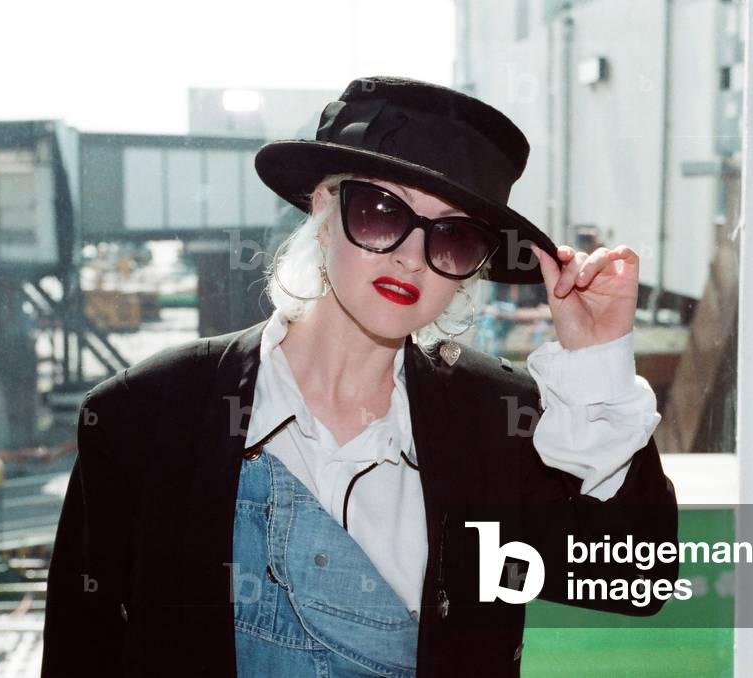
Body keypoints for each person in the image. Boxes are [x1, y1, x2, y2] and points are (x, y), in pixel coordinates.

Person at [41, 75, 678, 678]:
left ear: (471, 269)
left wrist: (598, 363)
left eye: (452, 238)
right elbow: (83, 651)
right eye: (380, 212)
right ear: (323, 208)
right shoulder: (150, 413)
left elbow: (639, 580)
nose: (410, 255)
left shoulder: (497, 422)